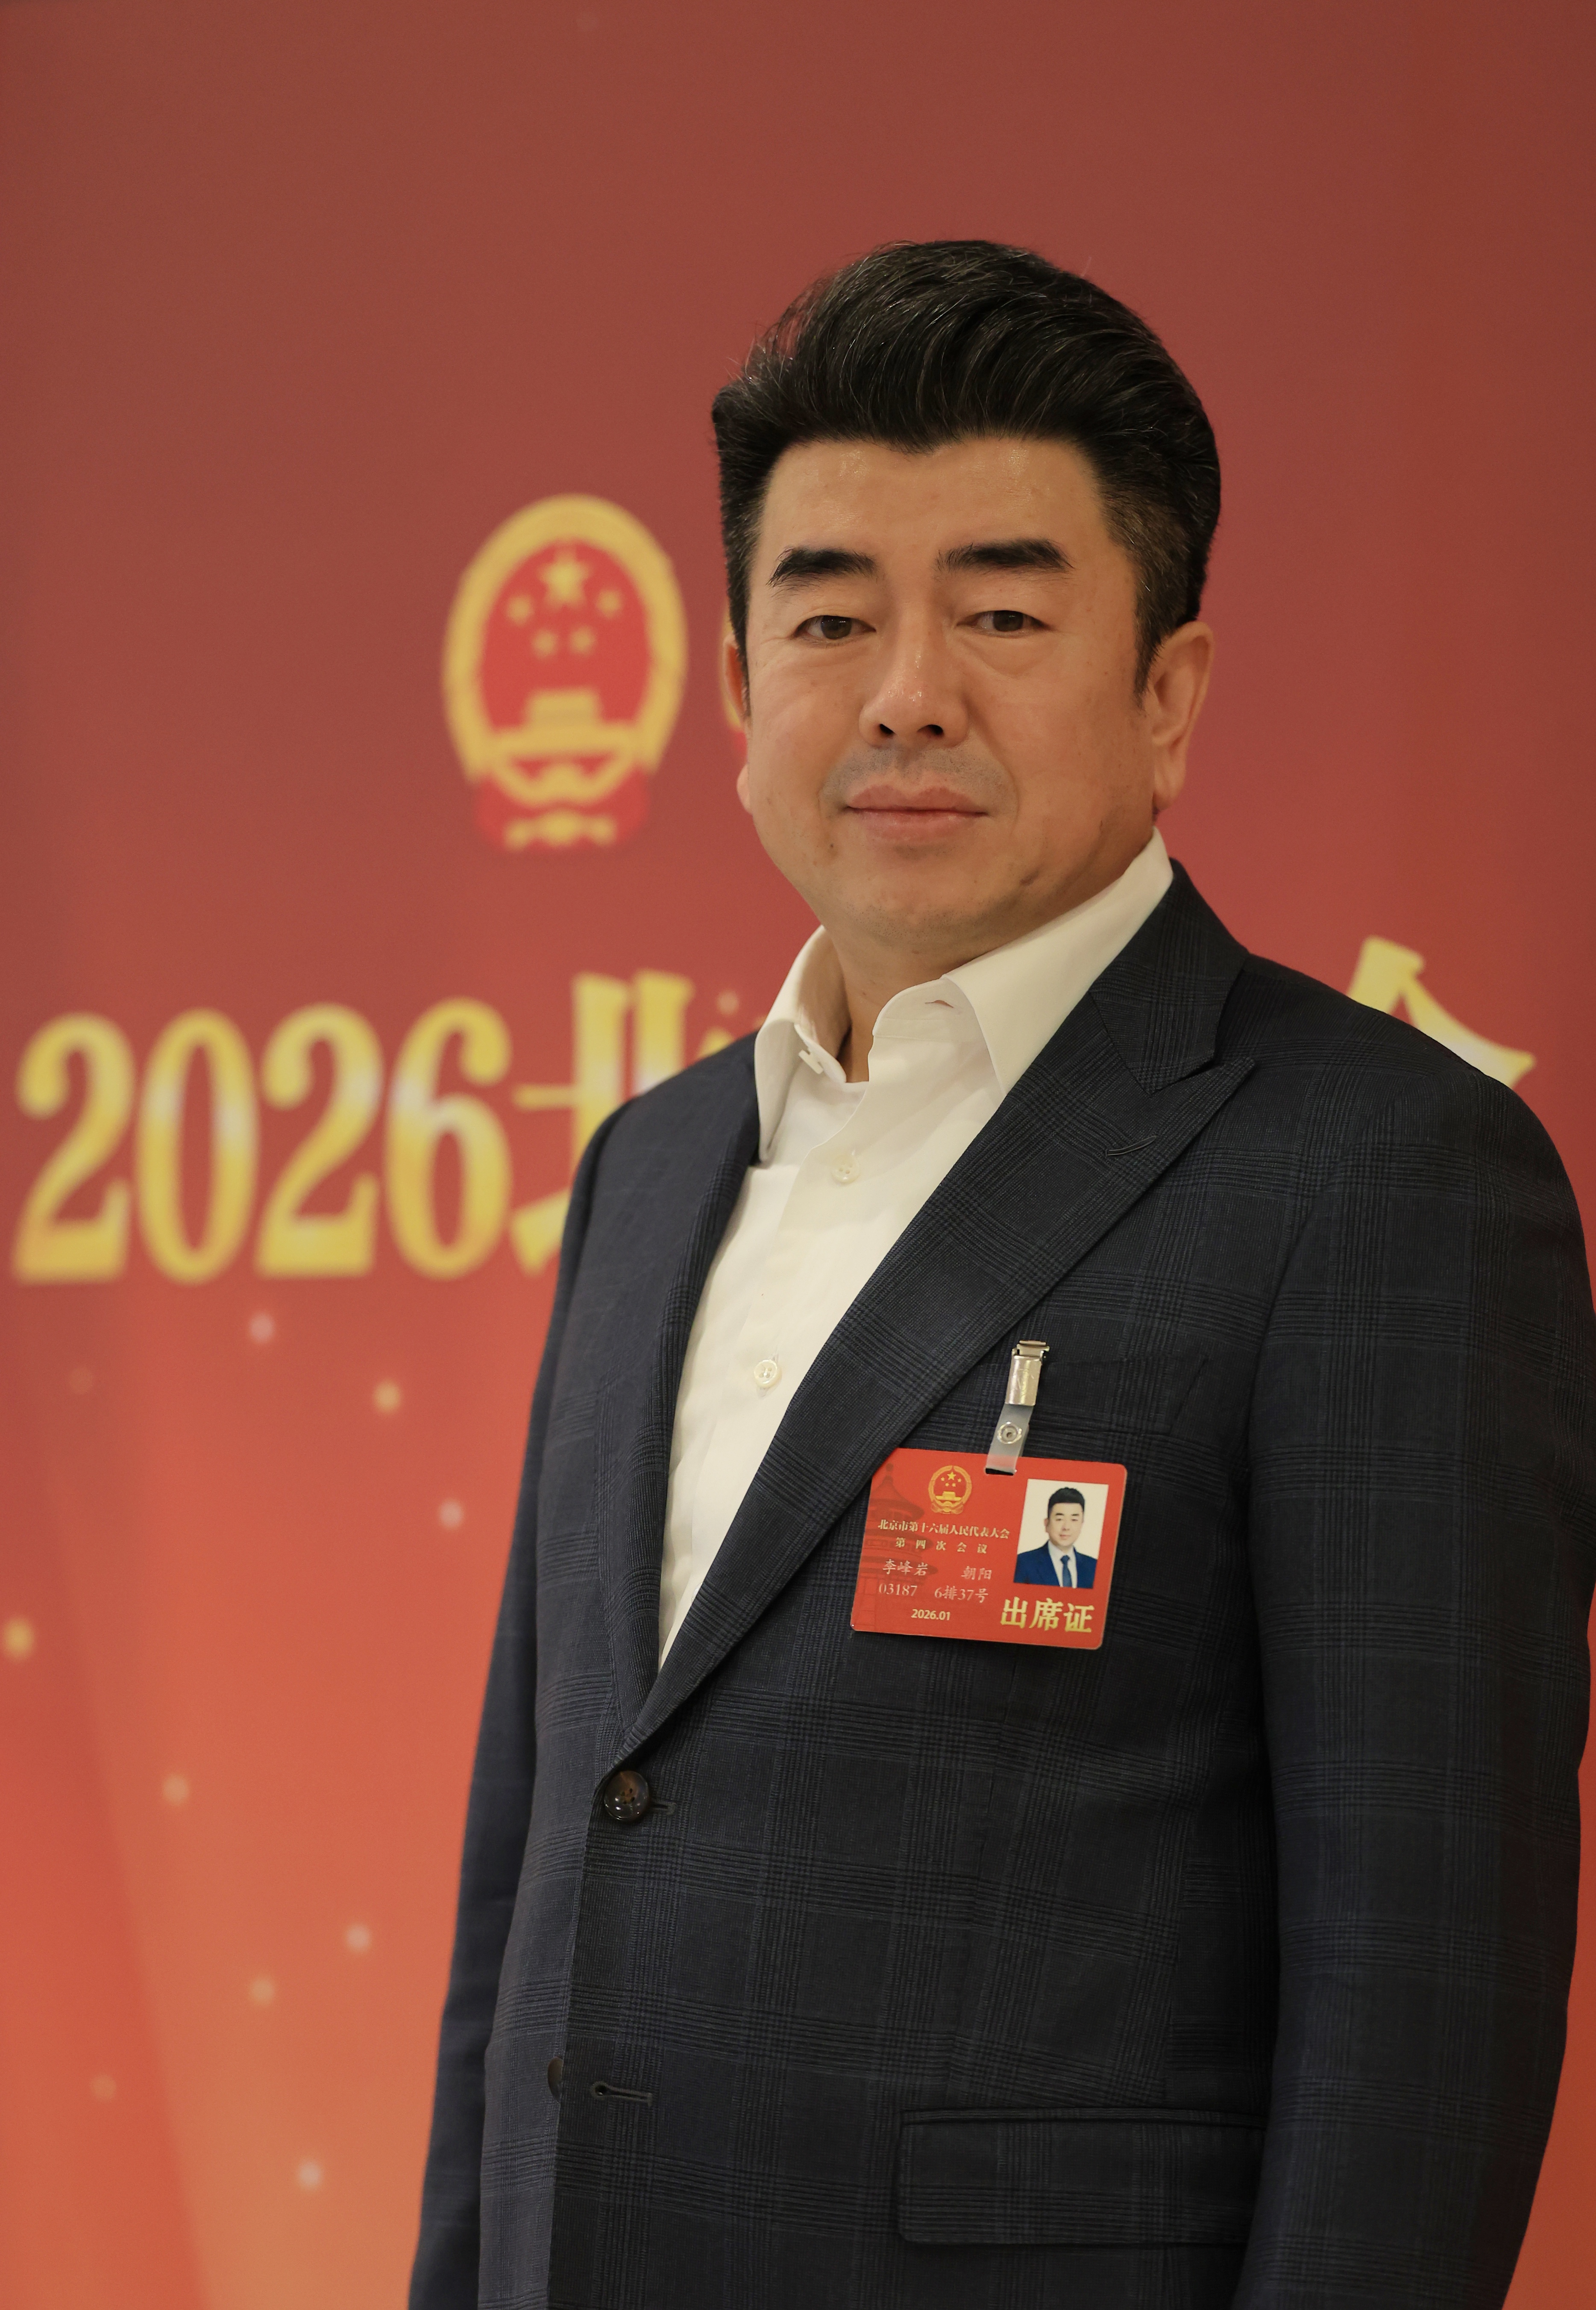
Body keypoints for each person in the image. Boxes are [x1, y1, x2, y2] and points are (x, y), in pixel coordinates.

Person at [410, 242, 1595, 2310]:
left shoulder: (1377, 1170)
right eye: (829, 615)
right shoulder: (649, 1166)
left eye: (1004, 613)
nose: (904, 692)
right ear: (736, 688)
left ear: (1169, 692)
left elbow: (1421, 1990)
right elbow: (534, 1874)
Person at [1013, 1486, 1095, 1586]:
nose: (1066, 1527)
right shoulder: (1023, 1563)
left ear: (1082, 1524)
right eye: (1059, 1519)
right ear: (1047, 1524)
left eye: (1074, 1520)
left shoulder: (1093, 1566)